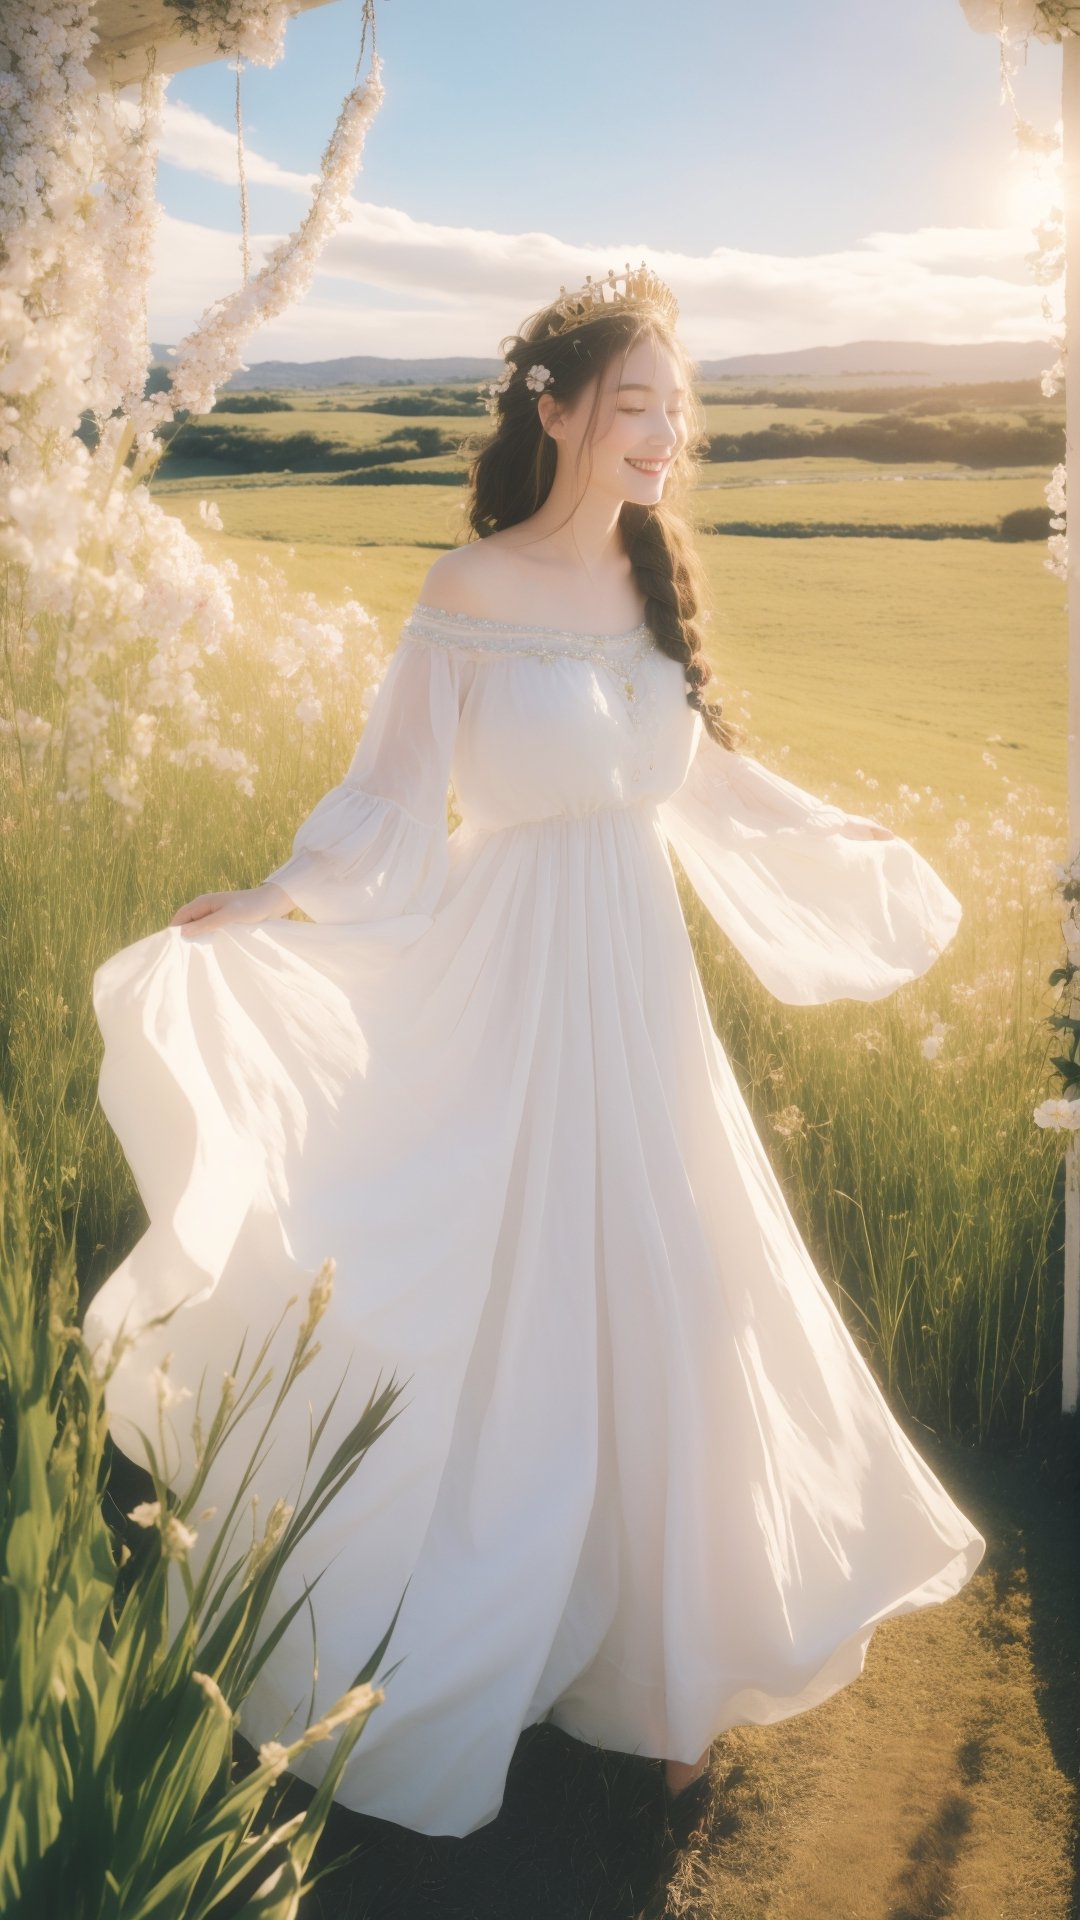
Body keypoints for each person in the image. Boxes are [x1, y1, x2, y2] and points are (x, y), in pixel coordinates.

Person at [83, 263, 986, 1842]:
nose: (665, 435)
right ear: (557, 413)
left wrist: (854, 840)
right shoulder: (473, 589)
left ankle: (673, 1675)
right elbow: (387, 794)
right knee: (487, 1286)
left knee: (678, 1286)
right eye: (637, 406)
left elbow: (704, 786)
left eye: (676, 408)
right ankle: (456, 1630)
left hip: (637, 986)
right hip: (499, 972)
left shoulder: (655, 582)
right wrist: (278, 896)